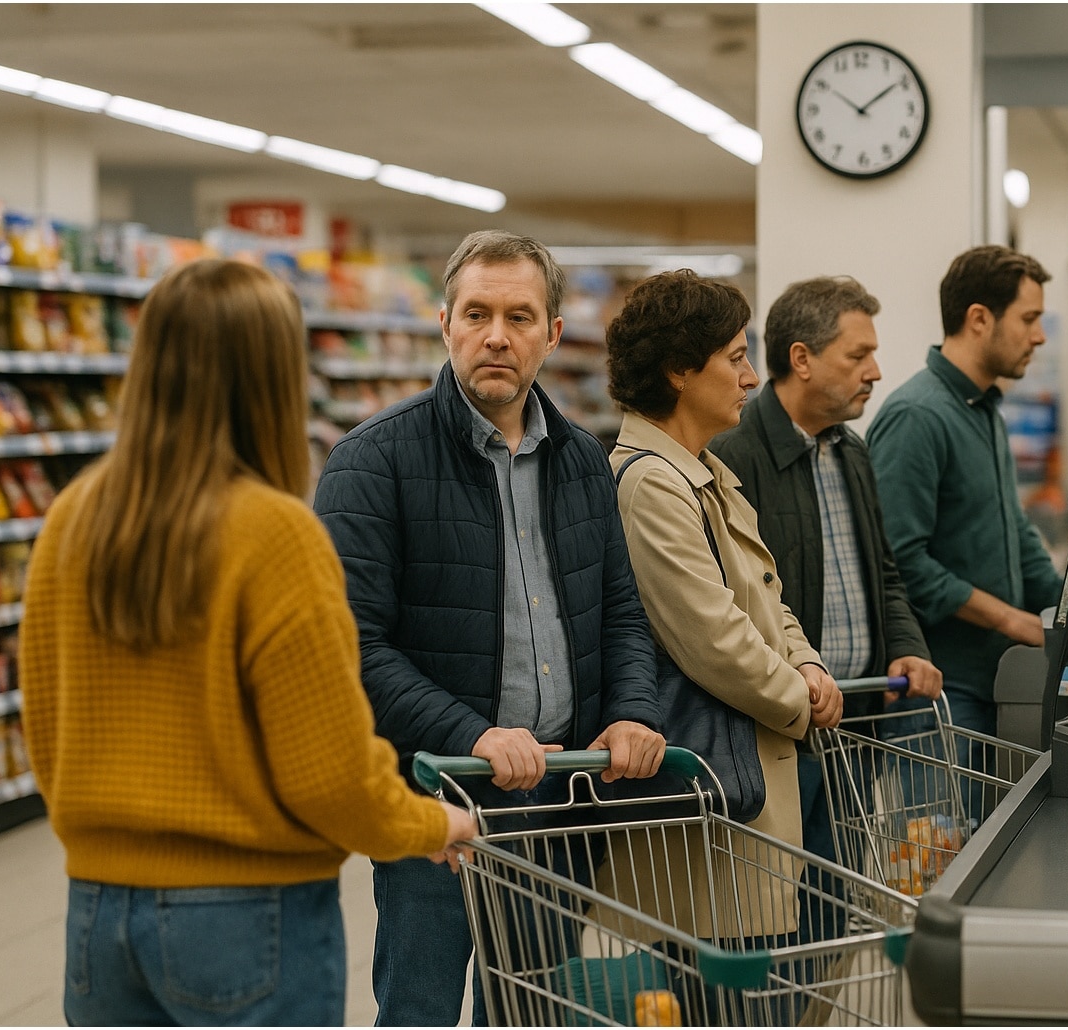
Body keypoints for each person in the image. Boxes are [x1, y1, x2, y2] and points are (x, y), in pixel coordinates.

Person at [18, 259, 478, 1027]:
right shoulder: (273, 532)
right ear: (272, 374)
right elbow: (326, 773)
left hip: (98, 916)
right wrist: (430, 822)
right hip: (245, 915)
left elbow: (47, 725)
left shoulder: (74, 517)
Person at [312, 230, 665, 1026]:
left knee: (534, 1011)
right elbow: (351, 648)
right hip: (435, 797)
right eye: (476, 313)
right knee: (423, 1009)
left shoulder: (582, 461)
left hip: (561, 796)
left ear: (553, 336)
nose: (496, 335)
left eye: (518, 315)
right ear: (445, 324)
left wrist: (634, 710)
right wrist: (472, 734)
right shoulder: (373, 463)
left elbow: (621, 613)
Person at [597, 269, 842, 984]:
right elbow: (712, 637)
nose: (749, 376)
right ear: (679, 369)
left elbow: (768, 599)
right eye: (734, 357)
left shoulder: (706, 474)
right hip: (712, 801)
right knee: (729, 995)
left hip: (753, 780)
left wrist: (810, 665)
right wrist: (801, 702)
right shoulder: (649, 483)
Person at [709, 275, 943, 930]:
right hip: (778, 738)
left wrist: (907, 646)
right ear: (802, 358)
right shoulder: (733, 457)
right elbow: (729, 606)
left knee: (829, 917)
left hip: (854, 728)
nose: (875, 371)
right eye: (857, 355)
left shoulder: (852, 452)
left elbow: (884, 573)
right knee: (767, 918)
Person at [867, 245, 1064, 743]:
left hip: (994, 677)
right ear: (979, 318)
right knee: (943, 825)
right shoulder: (918, 416)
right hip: (940, 686)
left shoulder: (983, 410)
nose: (1038, 336)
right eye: (1029, 319)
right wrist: (1011, 620)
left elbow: (1014, 530)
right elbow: (900, 559)